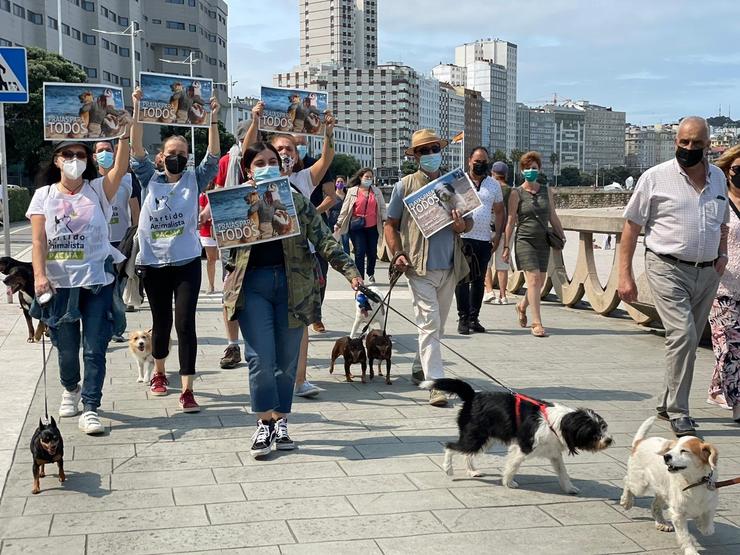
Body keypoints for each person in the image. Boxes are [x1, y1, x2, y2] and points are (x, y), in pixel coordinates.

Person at [222, 141, 361, 458]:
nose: (269, 165)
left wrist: (351, 272)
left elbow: (323, 239)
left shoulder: (296, 201)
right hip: (253, 286)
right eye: (260, 162)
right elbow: (228, 250)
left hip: (292, 286)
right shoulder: (235, 201)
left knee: (286, 363)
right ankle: (264, 424)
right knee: (260, 358)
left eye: (273, 160)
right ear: (248, 169)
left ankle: (281, 420)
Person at [619, 116, 728, 437]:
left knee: (688, 343)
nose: (689, 148)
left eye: (696, 143)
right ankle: (680, 412)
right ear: (675, 142)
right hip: (666, 266)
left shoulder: (719, 178)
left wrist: (721, 254)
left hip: (707, 272)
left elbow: (721, 223)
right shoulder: (655, 177)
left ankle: (667, 403)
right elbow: (631, 227)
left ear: (708, 145)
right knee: (683, 335)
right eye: (683, 142)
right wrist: (625, 275)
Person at [27, 126, 131, 434]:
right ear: (57, 161)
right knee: (67, 347)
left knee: (94, 346)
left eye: (80, 154)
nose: (75, 159)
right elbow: (37, 242)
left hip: (96, 280)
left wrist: (123, 135)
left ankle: (90, 406)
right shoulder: (43, 196)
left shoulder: (98, 190)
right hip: (60, 284)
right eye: (68, 154)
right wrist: (39, 275)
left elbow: (120, 167)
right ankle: (70, 387)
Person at [130, 87, 220, 412]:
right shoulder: (147, 177)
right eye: (171, 151)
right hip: (153, 264)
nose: (176, 156)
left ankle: (187, 389)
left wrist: (212, 118)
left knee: (185, 323)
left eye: (181, 152)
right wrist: (137, 109)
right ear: (161, 156)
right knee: (161, 321)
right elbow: (135, 147)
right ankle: (158, 373)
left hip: (185, 263)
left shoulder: (195, 179)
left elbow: (213, 155)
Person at [243, 102, 336, 395]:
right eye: (279, 149)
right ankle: (276, 378)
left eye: (290, 150)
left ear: (296, 157)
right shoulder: (252, 182)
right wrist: (254, 121)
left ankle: (298, 379)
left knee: (301, 323)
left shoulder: (302, 179)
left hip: (299, 260)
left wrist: (328, 133)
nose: (284, 154)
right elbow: (247, 153)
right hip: (261, 266)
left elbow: (327, 157)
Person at [384, 129, 472, 407]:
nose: (431, 154)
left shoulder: (454, 185)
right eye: (424, 151)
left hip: (449, 265)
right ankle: (436, 384)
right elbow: (390, 224)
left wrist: (462, 225)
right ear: (416, 156)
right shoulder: (405, 186)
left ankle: (419, 365)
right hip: (418, 267)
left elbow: (468, 222)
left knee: (438, 326)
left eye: (435, 149)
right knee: (430, 323)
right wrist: (397, 252)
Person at [503, 151, 565, 338]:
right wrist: (506, 246)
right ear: (522, 170)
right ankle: (536, 322)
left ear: (539, 170)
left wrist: (561, 235)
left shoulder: (546, 191)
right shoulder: (517, 193)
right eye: (528, 168)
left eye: (534, 168)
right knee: (534, 279)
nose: (531, 171)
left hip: (543, 241)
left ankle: (521, 306)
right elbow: (511, 220)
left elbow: (552, 215)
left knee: (540, 281)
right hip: (524, 240)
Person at [705, 145, 740, 423]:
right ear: (727, 171)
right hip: (722, 287)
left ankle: (717, 388)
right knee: (728, 347)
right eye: (738, 170)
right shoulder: (718, 201)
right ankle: (738, 403)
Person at [93, 140, 140, 341]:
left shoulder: (128, 180)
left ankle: (117, 327)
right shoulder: (89, 182)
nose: (105, 153)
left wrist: (137, 237)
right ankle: (106, 325)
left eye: (108, 150)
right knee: (103, 290)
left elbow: (136, 211)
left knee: (117, 290)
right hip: (98, 244)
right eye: (100, 151)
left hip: (122, 242)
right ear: (94, 156)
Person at [454, 148, 504, 334]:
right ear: (469, 161)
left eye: (484, 161)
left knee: (478, 280)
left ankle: (474, 318)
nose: (480, 164)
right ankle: (463, 318)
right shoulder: (459, 182)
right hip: (463, 238)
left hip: (484, 239)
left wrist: (498, 235)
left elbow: (500, 211)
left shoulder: (493, 185)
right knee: (462, 280)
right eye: (477, 161)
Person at [336, 168, 387, 283]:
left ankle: (370, 273)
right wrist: (339, 222)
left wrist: (384, 219)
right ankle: (360, 277)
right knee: (360, 251)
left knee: (372, 252)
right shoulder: (352, 191)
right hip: (357, 227)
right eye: (366, 177)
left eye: (370, 177)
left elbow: (383, 207)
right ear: (360, 177)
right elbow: (345, 209)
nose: (368, 179)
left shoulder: (376, 191)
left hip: (373, 226)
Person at [484, 161, 512, 305]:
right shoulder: (511, 191)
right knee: (502, 265)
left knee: (486, 262)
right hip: (505, 230)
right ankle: (503, 295)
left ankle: (489, 291)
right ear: (506, 175)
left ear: (492, 173)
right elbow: (513, 215)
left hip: (488, 228)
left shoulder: (489, 188)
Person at [199, 181, 219, 294]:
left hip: (221, 228)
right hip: (208, 230)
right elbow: (201, 213)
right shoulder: (203, 196)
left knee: (225, 259)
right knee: (212, 259)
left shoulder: (219, 188)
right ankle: (211, 285)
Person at [327, 176, 350, 254]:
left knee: (345, 241)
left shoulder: (348, 195)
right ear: (335, 183)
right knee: (335, 242)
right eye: (338, 182)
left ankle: (347, 259)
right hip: (333, 220)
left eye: (341, 182)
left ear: (345, 183)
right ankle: (337, 259)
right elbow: (327, 209)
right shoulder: (331, 195)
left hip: (345, 221)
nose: (340, 183)